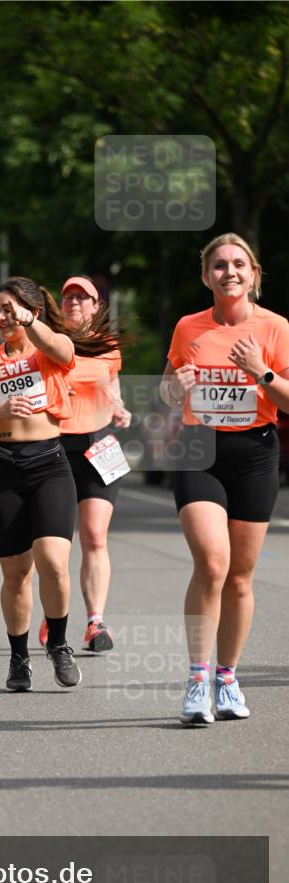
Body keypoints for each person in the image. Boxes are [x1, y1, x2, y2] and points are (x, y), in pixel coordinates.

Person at [0, 276, 122, 692]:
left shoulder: (47, 351)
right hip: (3, 469)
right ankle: (18, 658)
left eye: (10, 308)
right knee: (16, 573)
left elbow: (65, 349)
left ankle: (60, 644)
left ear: (30, 310)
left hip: (49, 463)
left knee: (53, 560)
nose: (3, 316)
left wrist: (30, 321)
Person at [160, 233, 289, 724]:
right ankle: (197, 681)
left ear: (253, 274)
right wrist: (176, 387)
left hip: (255, 453)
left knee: (239, 577)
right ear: (205, 276)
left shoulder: (276, 328)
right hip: (199, 449)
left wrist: (261, 373)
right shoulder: (188, 327)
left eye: (239, 264)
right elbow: (170, 394)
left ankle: (227, 678)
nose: (229, 272)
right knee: (213, 564)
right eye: (219, 265)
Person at [38, 276, 131, 653]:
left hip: (99, 445)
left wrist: (120, 409)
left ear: (96, 306)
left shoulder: (108, 347)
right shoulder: (48, 343)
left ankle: (95, 622)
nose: (74, 301)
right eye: (68, 296)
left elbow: (112, 388)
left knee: (94, 536)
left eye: (83, 296)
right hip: (55, 446)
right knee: (55, 544)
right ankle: (53, 612)